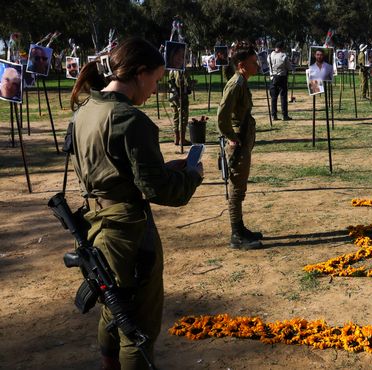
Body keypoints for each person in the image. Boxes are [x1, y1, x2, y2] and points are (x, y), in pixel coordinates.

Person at [68, 37, 203, 370]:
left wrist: (160, 170)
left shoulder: (86, 110)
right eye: (156, 80)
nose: (156, 89)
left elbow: (113, 170)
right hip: (127, 234)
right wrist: (192, 176)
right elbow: (158, 191)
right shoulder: (130, 119)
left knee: (114, 309)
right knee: (137, 328)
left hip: (95, 227)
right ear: (140, 74)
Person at [218, 42, 263, 250]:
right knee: (236, 189)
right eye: (253, 63)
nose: (257, 65)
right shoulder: (236, 84)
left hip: (243, 141)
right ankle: (236, 236)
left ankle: (241, 228)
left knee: (240, 188)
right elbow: (222, 115)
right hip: (237, 145)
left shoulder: (242, 82)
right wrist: (230, 136)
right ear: (242, 65)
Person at [268, 41, 292, 120]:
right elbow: (289, 67)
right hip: (282, 77)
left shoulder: (270, 55)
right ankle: (284, 115)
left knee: (273, 97)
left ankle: (273, 115)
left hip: (272, 77)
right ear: (282, 48)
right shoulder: (284, 56)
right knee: (283, 97)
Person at [168, 70, 192, 145]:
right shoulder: (183, 70)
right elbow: (187, 83)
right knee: (183, 116)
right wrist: (194, 82)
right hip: (180, 96)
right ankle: (182, 139)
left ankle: (176, 139)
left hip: (173, 95)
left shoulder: (172, 70)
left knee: (175, 116)